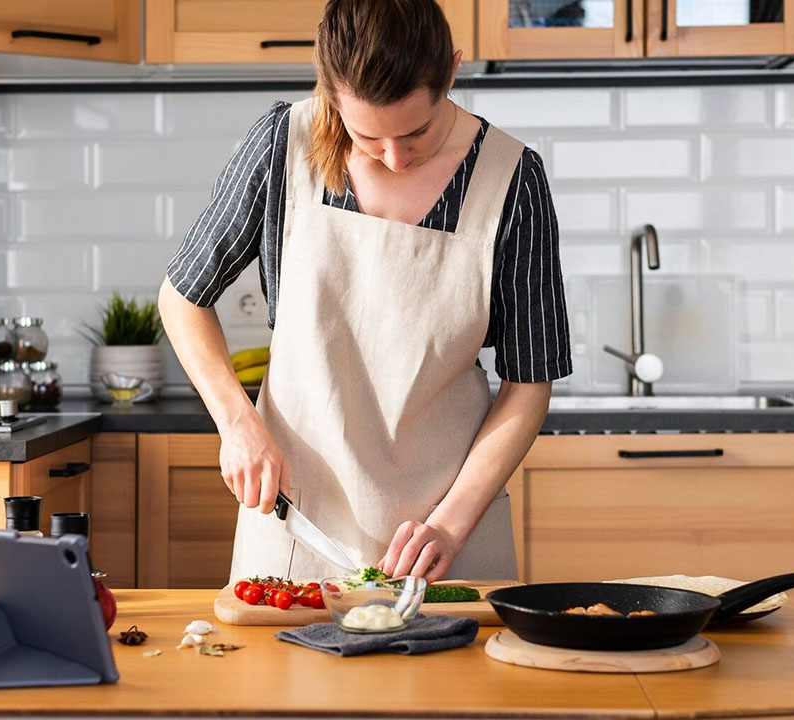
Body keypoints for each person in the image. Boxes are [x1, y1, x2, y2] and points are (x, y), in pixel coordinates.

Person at [159, 0, 570, 584]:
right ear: (330, 94)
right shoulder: (284, 145)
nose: (396, 157)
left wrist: (449, 525)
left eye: (416, 131)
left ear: (451, 72)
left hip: (449, 540)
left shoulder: (513, 178)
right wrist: (237, 422)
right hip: (296, 531)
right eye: (367, 135)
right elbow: (182, 297)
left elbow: (529, 383)